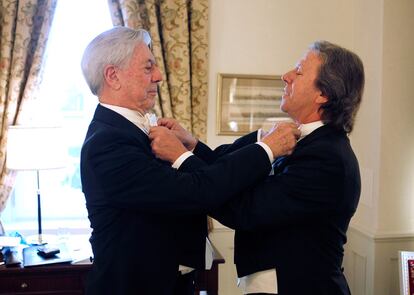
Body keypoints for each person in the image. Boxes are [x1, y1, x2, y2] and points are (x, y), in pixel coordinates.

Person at [80, 26, 300, 295]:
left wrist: (194, 145)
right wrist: (267, 149)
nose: (159, 76)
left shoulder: (129, 130)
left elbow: (206, 169)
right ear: (113, 76)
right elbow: (194, 191)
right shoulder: (107, 144)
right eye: (148, 68)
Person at [151, 40, 364, 295]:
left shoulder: (329, 159)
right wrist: (193, 145)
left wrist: (180, 157)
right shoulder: (293, 136)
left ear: (323, 94)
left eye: (298, 71)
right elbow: (230, 165)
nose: (285, 76)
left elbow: (245, 209)